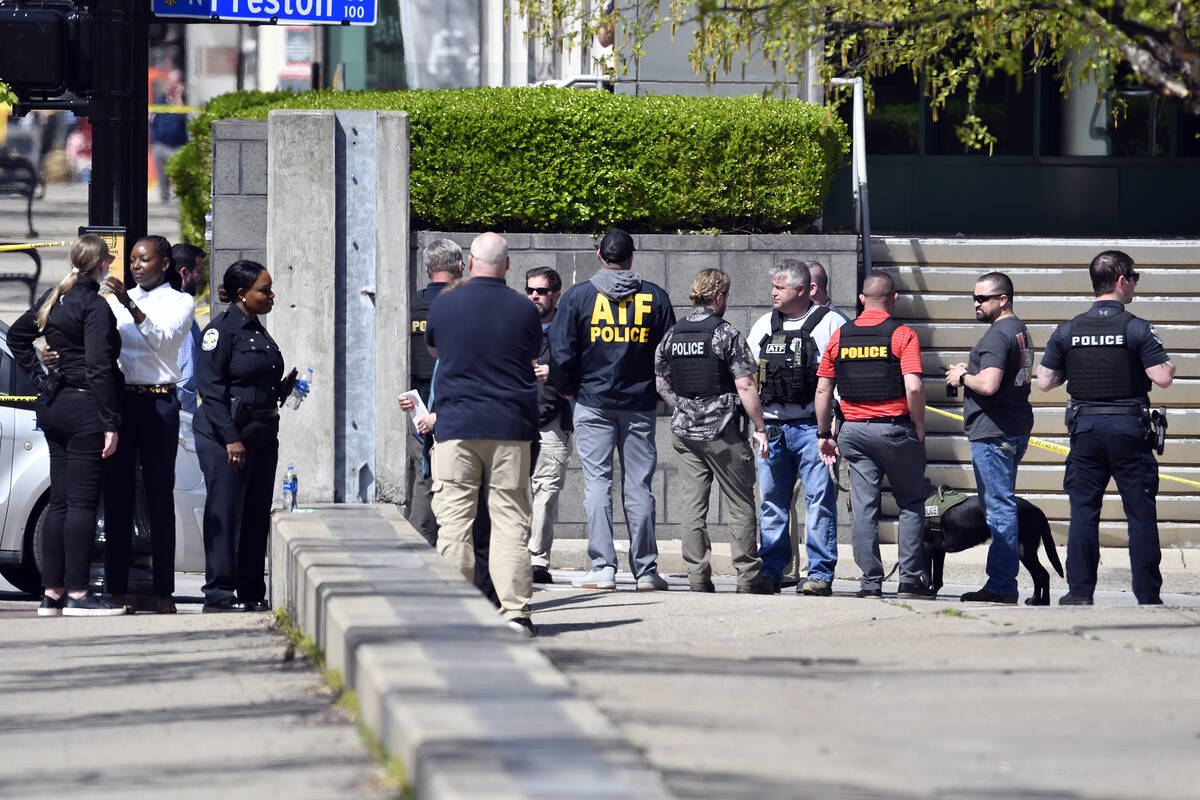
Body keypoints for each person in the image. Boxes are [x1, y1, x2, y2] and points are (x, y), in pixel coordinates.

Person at [1037, 250, 1175, 606]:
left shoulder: (1068, 329)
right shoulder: (1137, 327)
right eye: (1134, 278)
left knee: (1083, 511)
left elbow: (1045, 382)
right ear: (1120, 280)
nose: (1135, 285)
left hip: (1086, 429)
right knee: (1141, 513)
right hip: (1129, 427)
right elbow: (1162, 378)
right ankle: (1148, 595)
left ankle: (1080, 592)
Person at [424, 232, 542, 636]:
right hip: (511, 427)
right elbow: (530, 355)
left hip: (456, 426)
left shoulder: (445, 304)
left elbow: (436, 351)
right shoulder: (525, 310)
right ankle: (516, 613)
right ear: (507, 265)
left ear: (469, 262)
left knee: (454, 522)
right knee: (510, 520)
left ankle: (455, 615)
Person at [549, 229, 676, 591]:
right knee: (639, 486)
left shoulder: (578, 297)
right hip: (639, 405)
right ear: (631, 259)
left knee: (597, 484)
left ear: (600, 257)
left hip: (592, 402)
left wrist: (571, 392)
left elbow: (560, 353)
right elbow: (667, 355)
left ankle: (603, 566)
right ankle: (646, 571)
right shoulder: (654, 297)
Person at [8, 234, 125, 616]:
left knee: (60, 501)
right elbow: (99, 367)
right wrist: (111, 421)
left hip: (55, 405)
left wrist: (42, 379)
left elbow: (17, 336)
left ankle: (52, 593)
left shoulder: (55, 299)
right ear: (103, 265)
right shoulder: (94, 306)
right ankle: (77, 593)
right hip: (84, 407)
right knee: (81, 503)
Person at [814, 270, 934, 600]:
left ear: (862, 300)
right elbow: (914, 384)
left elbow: (823, 388)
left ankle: (870, 583)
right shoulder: (903, 335)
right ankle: (910, 580)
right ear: (894, 299)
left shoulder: (839, 336)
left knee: (865, 508)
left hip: (853, 432)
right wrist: (919, 423)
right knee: (911, 503)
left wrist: (824, 432)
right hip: (896, 430)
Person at [654, 268, 775, 594]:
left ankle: (698, 577)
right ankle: (748, 577)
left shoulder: (673, 334)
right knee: (740, 504)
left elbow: (660, 380)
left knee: (692, 507)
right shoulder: (726, 334)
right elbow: (746, 386)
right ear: (719, 296)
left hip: (685, 434)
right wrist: (760, 427)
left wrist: (681, 405)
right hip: (724, 434)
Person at [101, 235, 195, 614]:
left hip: (159, 402)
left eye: (145, 260)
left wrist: (129, 305)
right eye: (134, 260)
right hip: (124, 401)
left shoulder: (180, 302)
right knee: (119, 495)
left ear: (165, 264)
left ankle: (163, 592)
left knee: (159, 495)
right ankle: (116, 591)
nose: (137, 266)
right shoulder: (117, 300)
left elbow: (163, 340)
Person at [194, 260, 295, 613]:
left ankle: (251, 590)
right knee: (226, 511)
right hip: (226, 436)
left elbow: (252, 381)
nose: (271, 295)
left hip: (262, 433)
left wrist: (281, 389)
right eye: (263, 290)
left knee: (254, 513)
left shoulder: (257, 330)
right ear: (242, 294)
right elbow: (211, 389)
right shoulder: (220, 332)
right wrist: (230, 438)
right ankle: (220, 592)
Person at [746, 259, 845, 595]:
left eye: (780, 288)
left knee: (819, 501)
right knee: (772, 501)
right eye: (773, 287)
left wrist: (833, 427)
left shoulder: (831, 323)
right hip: (771, 429)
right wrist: (756, 426)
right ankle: (772, 570)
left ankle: (819, 574)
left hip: (812, 430)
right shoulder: (763, 324)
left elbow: (841, 380)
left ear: (803, 290)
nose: (773, 293)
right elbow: (747, 377)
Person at [945, 272, 1035, 605]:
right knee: (1001, 504)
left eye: (982, 298)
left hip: (994, 433)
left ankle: (1001, 586)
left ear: (1003, 300)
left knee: (998, 510)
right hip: (1011, 428)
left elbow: (989, 385)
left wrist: (962, 375)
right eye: (974, 297)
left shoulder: (998, 335)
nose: (976, 303)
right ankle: (1002, 583)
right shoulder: (1019, 329)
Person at [407, 239, 464, 547]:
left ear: (427, 269)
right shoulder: (465, 303)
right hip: (456, 401)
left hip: (416, 402)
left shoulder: (410, 304)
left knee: (423, 475)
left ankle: (421, 547)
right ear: (459, 266)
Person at [525, 266, 573, 584]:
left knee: (546, 491)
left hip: (553, 422)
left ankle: (537, 560)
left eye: (541, 291)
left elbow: (581, 371)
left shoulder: (567, 331)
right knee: (514, 491)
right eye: (529, 290)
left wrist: (553, 371)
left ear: (555, 295)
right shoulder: (516, 327)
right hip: (516, 420)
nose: (534, 296)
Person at [172, 242, 207, 413]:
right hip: (180, 409)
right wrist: (188, 412)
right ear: (184, 272)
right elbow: (186, 373)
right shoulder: (182, 306)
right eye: (199, 271)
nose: (200, 277)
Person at [150, 69, 188, 203]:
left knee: (180, 176)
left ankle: (180, 202)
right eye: (169, 82)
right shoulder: (160, 101)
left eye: (174, 82)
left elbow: (186, 120)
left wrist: (178, 99)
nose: (170, 85)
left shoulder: (185, 103)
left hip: (178, 146)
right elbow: (153, 121)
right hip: (161, 145)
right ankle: (164, 200)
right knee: (162, 178)